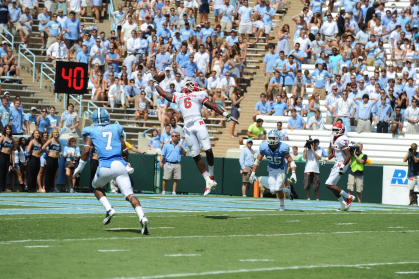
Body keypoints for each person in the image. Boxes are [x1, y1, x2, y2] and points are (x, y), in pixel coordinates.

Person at [152, 77, 238, 196]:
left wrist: (225, 114)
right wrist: (156, 83)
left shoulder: (197, 94)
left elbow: (211, 105)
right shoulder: (182, 95)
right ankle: (207, 179)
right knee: (195, 154)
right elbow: (163, 93)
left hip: (198, 122)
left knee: (208, 149)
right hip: (187, 127)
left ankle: (211, 174)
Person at [73, 108, 149, 234]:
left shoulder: (90, 130)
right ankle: (142, 217)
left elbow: (86, 151)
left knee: (95, 187)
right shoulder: (116, 128)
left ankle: (109, 209)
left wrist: (79, 168)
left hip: (105, 166)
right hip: (120, 165)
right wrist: (126, 161)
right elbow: (124, 149)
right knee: (130, 194)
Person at [249, 130, 296, 211]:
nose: (271, 140)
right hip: (271, 169)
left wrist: (294, 172)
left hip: (281, 169)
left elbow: (291, 160)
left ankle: (282, 205)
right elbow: (257, 161)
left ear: (278, 138)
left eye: (273, 138)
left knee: (278, 188)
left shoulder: (282, 147)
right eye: (270, 138)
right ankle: (287, 190)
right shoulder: (264, 147)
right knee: (273, 190)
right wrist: (253, 173)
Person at [322, 122, 355, 211]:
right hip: (337, 163)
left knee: (328, 184)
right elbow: (333, 153)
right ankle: (343, 204)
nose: (334, 131)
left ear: (341, 130)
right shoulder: (333, 138)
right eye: (333, 129)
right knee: (332, 185)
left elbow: (348, 156)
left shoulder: (342, 139)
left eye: (336, 130)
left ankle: (348, 197)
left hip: (341, 164)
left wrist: (343, 165)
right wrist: (326, 159)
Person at [41, 129, 61, 193]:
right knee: (48, 174)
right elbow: (43, 147)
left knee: (53, 174)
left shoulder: (58, 142)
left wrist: (60, 154)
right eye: (54, 132)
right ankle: (47, 189)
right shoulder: (50, 140)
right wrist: (48, 153)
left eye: (57, 132)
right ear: (52, 133)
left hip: (56, 159)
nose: (56, 133)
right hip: (50, 158)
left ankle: (52, 188)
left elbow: (60, 150)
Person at [0, 125, 15, 193]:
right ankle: (0, 188)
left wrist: (12, 161)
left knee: (6, 173)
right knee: (1, 172)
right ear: (5, 130)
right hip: (2, 155)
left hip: (8, 156)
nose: (8, 131)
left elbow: (13, 149)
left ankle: (3, 188)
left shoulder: (12, 139)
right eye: (7, 129)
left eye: (9, 129)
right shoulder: (3, 137)